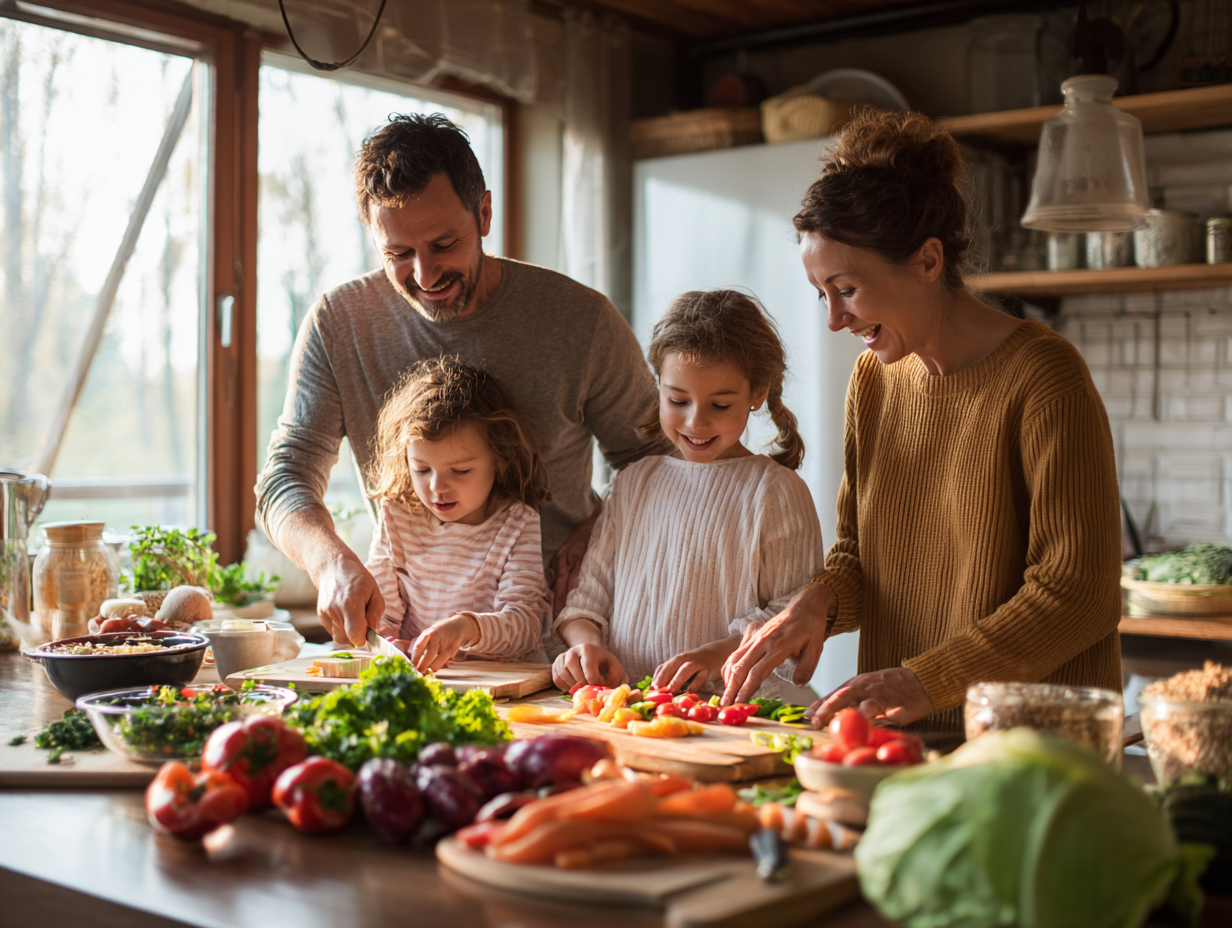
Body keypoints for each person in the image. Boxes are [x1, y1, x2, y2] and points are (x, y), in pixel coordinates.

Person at [721, 110, 1122, 731]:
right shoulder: (875, 380)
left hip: (1033, 746)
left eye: (847, 289)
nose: (834, 319)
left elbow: (1078, 594)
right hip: (907, 739)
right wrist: (818, 602)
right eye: (821, 293)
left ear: (929, 260)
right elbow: (859, 552)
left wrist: (924, 680)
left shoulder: (1043, 376)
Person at [255, 114, 669, 649]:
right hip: (411, 645)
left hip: (562, 635)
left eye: (444, 243)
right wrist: (329, 562)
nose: (424, 275)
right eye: (398, 254)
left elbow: (658, 460)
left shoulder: (580, 319)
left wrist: (598, 529)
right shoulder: (339, 323)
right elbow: (286, 475)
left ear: (484, 213)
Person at [552, 289, 822, 704]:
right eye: (677, 400)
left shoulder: (776, 492)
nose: (696, 422)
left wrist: (716, 656)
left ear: (757, 394)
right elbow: (586, 602)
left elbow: (791, 619)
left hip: (733, 712)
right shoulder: (633, 482)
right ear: (658, 385)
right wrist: (584, 645)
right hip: (630, 708)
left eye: (720, 404)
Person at [365, 357, 551, 673]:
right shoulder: (397, 516)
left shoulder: (518, 524)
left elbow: (526, 627)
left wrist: (468, 628)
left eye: (460, 470)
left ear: (501, 459)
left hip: (499, 682)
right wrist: (385, 643)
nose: (437, 487)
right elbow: (380, 617)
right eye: (421, 469)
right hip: (424, 682)